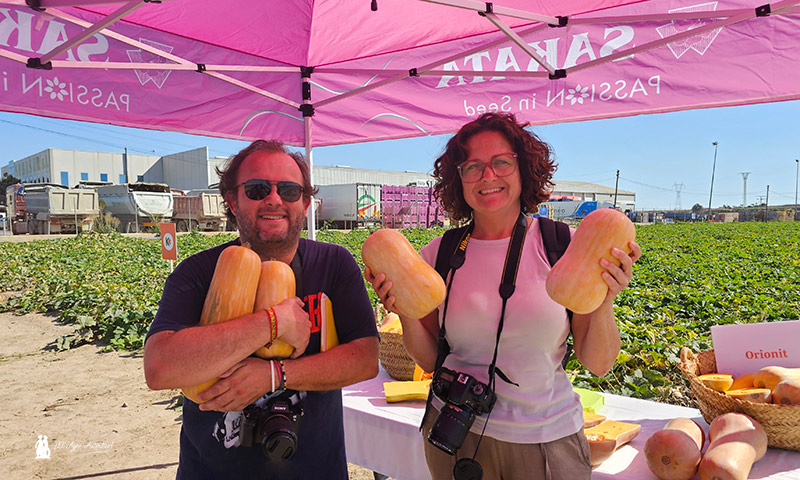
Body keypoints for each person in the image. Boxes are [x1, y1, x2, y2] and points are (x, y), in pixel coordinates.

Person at [366, 113, 642, 480]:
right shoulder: (440, 253)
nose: (488, 176)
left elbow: (599, 363)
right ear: (458, 179)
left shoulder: (562, 245)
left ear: (523, 169)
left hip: (544, 441)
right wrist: (403, 311)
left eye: (501, 162)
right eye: (472, 167)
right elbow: (430, 359)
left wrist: (605, 297)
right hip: (454, 434)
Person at [144, 140, 379, 480]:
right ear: (232, 202)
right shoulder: (195, 272)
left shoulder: (335, 264)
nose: (274, 199)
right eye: (256, 189)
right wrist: (273, 322)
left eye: (288, 189)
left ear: (306, 202)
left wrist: (273, 376)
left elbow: (364, 359)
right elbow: (160, 368)